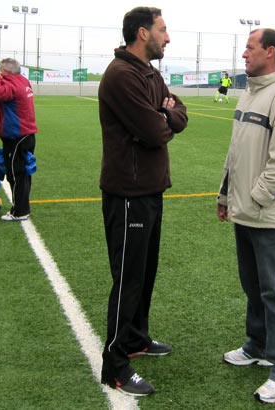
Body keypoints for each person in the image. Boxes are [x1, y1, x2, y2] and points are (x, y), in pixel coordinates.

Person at [217, 28, 275, 404]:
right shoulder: (251, 91)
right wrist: (226, 194)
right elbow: (236, 152)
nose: (244, 54)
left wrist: (254, 199)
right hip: (246, 212)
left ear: (270, 53)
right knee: (254, 287)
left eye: (250, 48)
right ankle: (257, 345)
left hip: (274, 216)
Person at [98, 7, 188, 397]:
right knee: (129, 278)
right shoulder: (121, 75)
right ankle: (115, 364)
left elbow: (179, 115)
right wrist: (162, 116)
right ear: (141, 33)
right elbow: (154, 131)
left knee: (146, 273)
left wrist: (167, 114)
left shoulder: (151, 73)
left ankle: (136, 338)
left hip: (151, 190)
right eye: (163, 30)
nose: (167, 37)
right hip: (129, 194)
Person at [0, 58, 38, 222]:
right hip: (25, 135)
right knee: (22, 174)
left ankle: (20, 211)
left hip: (18, 136)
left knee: (16, 174)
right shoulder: (23, 81)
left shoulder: (11, 85)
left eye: (1, 71)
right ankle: (22, 207)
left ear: (7, 73)